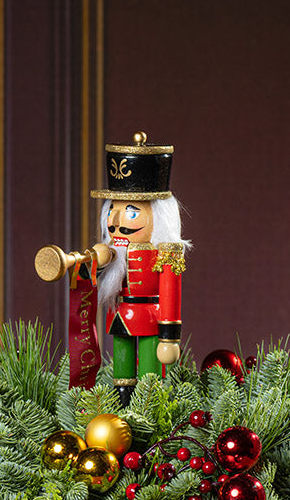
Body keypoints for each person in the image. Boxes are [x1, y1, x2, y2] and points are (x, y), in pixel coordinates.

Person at [36, 132, 190, 404]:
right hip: (119, 315)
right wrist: (83, 260)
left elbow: (170, 294)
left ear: (160, 216)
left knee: (150, 373)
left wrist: (169, 337)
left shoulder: (165, 254)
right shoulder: (114, 250)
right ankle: (122, 399)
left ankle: (149, 403)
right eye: (111, 211)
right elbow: (101, 256)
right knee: (122, 368)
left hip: (150, 318)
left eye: (131, 212)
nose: (116, 222)